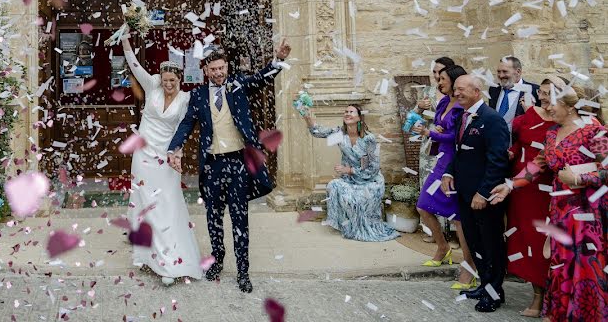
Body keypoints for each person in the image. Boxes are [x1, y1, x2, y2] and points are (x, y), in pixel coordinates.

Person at [168, 40, 290, 293]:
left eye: (222, 68)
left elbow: (261, 78)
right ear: (206, 71)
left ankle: (243, 271)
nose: (219, 73)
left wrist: (277, 61)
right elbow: (186, 124)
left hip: (238, 163)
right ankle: (217, 261)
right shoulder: (198, 95)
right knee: (213, 218)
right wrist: (174, 147)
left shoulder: (238, 86)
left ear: (227, 67)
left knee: (239, 218)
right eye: (214, 69)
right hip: (212, 164)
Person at [491, 85, 608, 322]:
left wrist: (578, 178)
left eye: (552, 103)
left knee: (585, 261)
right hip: (560, 207)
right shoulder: (552, 134)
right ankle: (561, 313)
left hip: (588, 209)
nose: (546, 107)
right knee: (561, 259)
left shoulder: (593, 129)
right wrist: (510, 185)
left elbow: (606, 169)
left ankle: (588, 314)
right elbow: (537, 166)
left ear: (569, 105)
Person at [121, 36, 202, 285]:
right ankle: (147, 254)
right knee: (144, 201)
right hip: (143, 155)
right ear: (160, 79)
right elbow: (134, 65)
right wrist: (125, 42)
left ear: (180, 80)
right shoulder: (151, 87)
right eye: (165, 80)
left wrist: (176, 153)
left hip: (166, 157)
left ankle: (170, 259)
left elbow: (182, 129)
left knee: (167, 203)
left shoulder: (186, 100)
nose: (168, 84)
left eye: (173, 81)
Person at [440, 75, 510, 313]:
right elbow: (459, 152)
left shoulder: (492, 120)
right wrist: (448, 173)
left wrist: (483, 192)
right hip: (464, 193)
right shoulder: (463, 115)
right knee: (474, 242)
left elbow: (497, 161)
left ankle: (494, 293)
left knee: (491, 245)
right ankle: (484, 283)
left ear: (476, 91)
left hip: (484, 195)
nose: (456, 93)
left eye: (461, 90)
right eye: (456, 90)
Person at [501, 76, 563, 317]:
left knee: (548, 243)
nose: (543, 97)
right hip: (525, 188)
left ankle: (557, 296)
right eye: (542, 92)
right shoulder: (528, 116)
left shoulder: (562, 123)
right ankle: (537, 295)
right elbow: (520, 143)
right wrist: (510, 154)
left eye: (549, 92)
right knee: (527, 239)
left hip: (552, 190)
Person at [413, 65, 477, 289]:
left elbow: (458, 136)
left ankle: (469, 265)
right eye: (438, 79)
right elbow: (441, 127)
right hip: (440, 160)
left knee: (457, 217)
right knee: (423, 206)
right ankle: (443, 247)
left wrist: (431, 133)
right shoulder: (442, 102)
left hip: (455, 162)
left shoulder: (461, 107)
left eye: (442, 79)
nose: (438, 82)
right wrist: (433, 130)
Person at [302, 104, 399, 242]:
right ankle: (347, 225)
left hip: (370, 180)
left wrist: (350, 170)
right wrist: (308, 119)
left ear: (359, 117)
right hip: (350, 180)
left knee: (358, 199)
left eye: (351, 112)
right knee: (333, 185)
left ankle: (361, 226)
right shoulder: (340, 135)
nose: (347, 114)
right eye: (346, 111)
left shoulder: (368, 139)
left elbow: (373, 166)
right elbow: (319, 132)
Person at [489, 56, 540, 127]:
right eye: (498, 72)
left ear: (518, 72)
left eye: (505, 71)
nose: (501, 75)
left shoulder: (533, 91)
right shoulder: (494, 89)